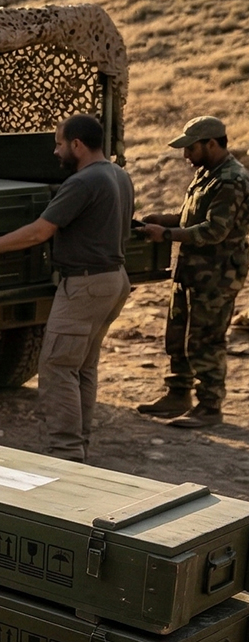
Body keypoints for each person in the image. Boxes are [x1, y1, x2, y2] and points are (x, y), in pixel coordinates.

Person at [0, 115, 132, 459]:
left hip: (85, 284)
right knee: (82, 366)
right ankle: (78, 443)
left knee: (56, 366)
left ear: (77, 145)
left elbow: (40, 231)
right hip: (113, 280)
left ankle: (65, 452)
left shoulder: (82, 182)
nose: (55, 151)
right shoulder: (118, 175)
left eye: (59, 143)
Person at [136, 115, 249, 429]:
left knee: (206, 339)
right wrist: (166, 220)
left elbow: (215, 230)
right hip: (192, 271)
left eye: (191, 148)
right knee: (178, 332)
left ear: (211, 144)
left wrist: (166, 234)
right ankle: (178, 393)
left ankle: (210, 406)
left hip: (217, 275)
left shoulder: (232, 179)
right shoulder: (207, 174)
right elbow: (192, 218)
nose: (186, 155)